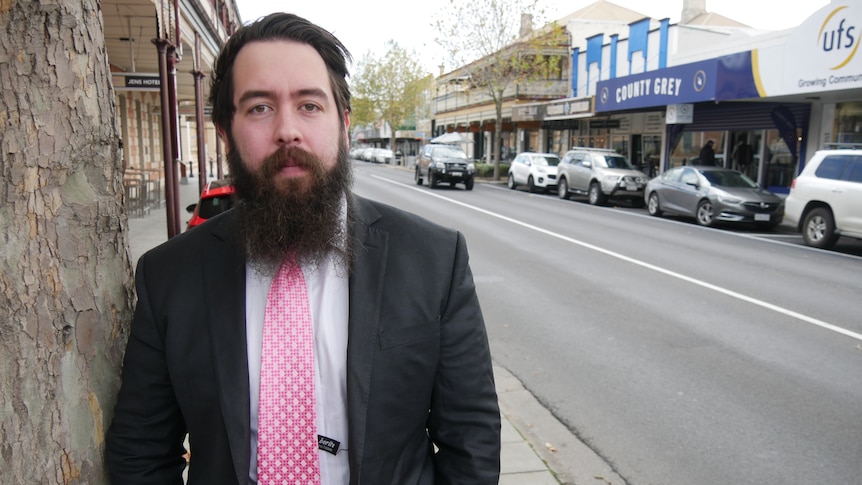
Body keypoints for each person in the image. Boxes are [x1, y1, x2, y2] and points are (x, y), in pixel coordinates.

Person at [105, 12, 501, 485]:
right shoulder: (168, 275)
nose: (287, 130)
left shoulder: (435, 259)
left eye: (309, 105)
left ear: (344, 123)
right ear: (226, 133)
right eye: (259, 107)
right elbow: (141, 450)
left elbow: (471, 443)